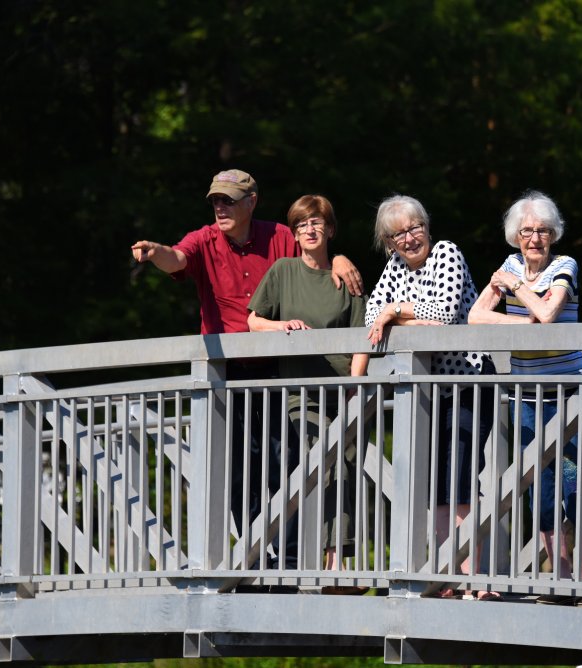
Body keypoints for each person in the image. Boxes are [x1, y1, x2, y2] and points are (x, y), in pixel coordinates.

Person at [130, 169, 363, 573]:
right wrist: (155, 252)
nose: (221, 207)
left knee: (286, 461)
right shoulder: (204, 239)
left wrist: (341, 258)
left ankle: (289, 560)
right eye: (216, 201)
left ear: (251, 201)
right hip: (226, 375)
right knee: (237, 468)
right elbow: (178, 259)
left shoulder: (277, 236)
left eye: (229, 200)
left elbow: (316, 244)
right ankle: (256, 557)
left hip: (276, 372)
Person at [468, 190, 582, 606]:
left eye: (542, 230)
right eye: (527, 231)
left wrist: (518, 291)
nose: (535, 238)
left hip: (569, 393)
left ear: (553, 234)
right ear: (515, 236)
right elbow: (474, 317)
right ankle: (560, 578)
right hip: (526, 395)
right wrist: (518, 310)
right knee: (539, 488)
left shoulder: (565, 265)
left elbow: (547, 315)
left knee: (575, 484)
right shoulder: (509, 266)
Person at [365, 195, 498, 601]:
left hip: (467, 382)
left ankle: (474, 580)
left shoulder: (446, 253)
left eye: (414, 227)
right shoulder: (393, 268)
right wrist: (399, 313)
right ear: (388, 243)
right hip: (427, 392)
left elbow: (442, 316)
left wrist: (397, 311)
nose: (408, 238)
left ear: (426, 226)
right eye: (398, 234)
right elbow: (371, 317)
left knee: (459, 479)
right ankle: (448, 578)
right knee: (438, 486)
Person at [247, 195, 369, 593]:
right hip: (302, 393)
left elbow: (362, 338)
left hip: (344, 389)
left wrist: (356, 385)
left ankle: (338, 568)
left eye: (316, 223)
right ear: (295, 234)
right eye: (301, 226)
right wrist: (280, 328)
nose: (309, 231)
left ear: (330, 230)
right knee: (324, 466)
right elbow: (253, 321)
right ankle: (318, 564)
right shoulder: (282, 271)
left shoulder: (345, 276)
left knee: (349, 470)